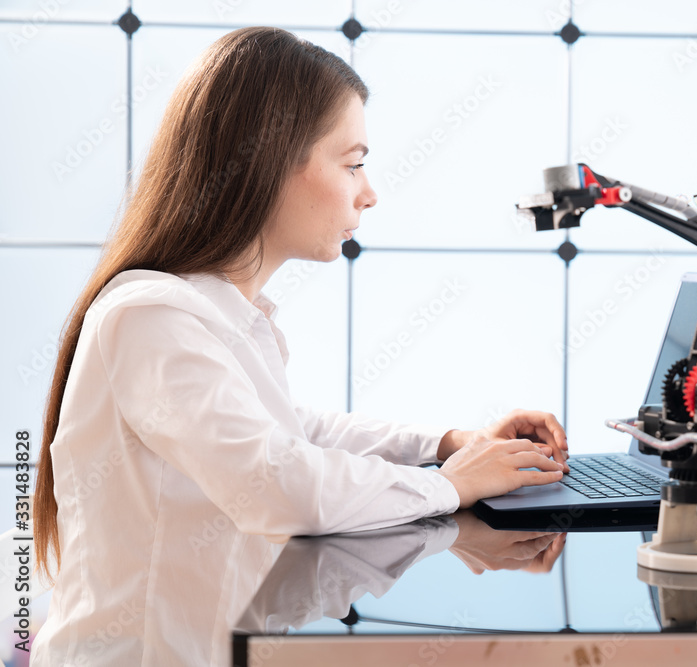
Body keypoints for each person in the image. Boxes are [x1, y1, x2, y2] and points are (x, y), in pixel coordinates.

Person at [30, 26, 569, 666]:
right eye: (353, 162)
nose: (368, 193)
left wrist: (447, 445)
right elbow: (275, 482)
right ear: (269, 160)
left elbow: (293, 434)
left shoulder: (214, 315)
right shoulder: (150, 316)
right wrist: (449, 486)